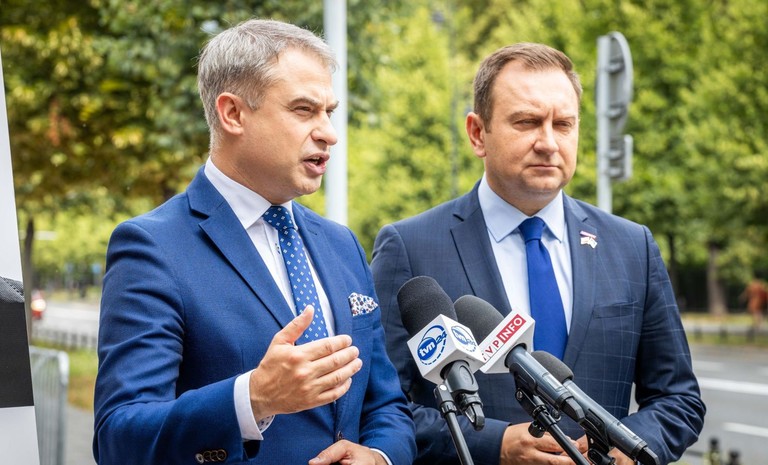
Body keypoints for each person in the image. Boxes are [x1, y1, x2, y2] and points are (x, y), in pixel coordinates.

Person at [93, 19, 415, 465]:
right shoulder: (152, 247)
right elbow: (119, 437)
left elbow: (387, 405)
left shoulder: (342, 244)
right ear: (233, 114)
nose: (329, 132)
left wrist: (379, 455)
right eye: (303, 110)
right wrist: (253, 398)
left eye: (329, 111)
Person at [371, 43, 705, 465]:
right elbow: (381, 406)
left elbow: (678, 399)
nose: (548, 142)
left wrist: (628, 446)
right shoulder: (410, 247)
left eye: (563, 124)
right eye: (527, 122)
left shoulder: (631, 246)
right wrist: (496, 446)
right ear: (477, 133)